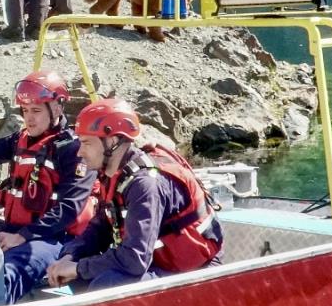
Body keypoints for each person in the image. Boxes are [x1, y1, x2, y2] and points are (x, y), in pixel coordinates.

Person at [0, 72, 96, 303]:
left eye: (36, 111)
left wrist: (22, 236)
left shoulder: (74, 150)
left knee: (4, 277)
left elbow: (69, 208)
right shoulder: (20, 140)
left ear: (56, 108)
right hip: (13, 231)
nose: (29, 119)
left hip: (51, 238)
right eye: (25, 111)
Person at [45, 99, 223, 291]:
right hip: (157, 264)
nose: (80, 152)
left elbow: (135, 259)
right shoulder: (112, 173)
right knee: (75, 273)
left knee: (107, 285)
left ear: (112, 141)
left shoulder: (145, 184)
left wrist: (79, 268)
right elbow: (101, 226)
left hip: (193, 273)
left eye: (86, 143)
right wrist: (70, 256)